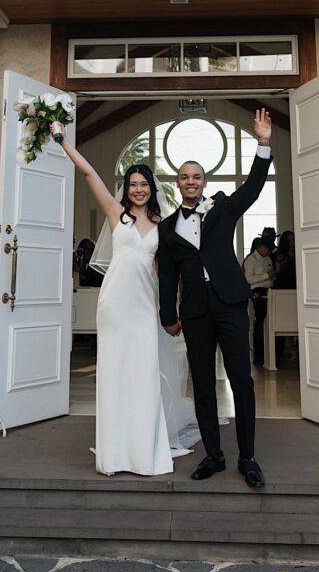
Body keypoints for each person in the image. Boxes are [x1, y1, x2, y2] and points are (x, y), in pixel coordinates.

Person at [157, 109, 273, 489]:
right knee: (203, 384)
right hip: (194, 313)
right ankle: (213, 454)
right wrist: (167, 315)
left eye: (197, 176)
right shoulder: (168, 227)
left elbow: (254, 187)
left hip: (231, 304)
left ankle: (249, 457)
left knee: (241, 379)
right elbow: (168, 274)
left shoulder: (223, 207)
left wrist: (263, 143)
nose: (191, 182)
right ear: (177, 184)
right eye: (184, 177)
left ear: (204, 182)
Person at [54, 130, 173, 476]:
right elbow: (89, 173)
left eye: (144, 183)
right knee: (115, 375)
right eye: (132, 183)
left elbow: (164, 273)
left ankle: (145, 453)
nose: (138, 189)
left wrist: (171, 311)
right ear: (126, 187)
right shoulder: (114, 212)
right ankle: (115, 454)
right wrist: (64, 143)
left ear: (152, 187)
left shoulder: (162, 226)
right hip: (115, 307)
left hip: (143, 307)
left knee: (144, 376)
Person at [243, 236, 275, 366]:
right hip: (257, 292)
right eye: (267, 248)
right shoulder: (251, 260)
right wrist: (266, 276)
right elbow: (248, 279)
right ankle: (258, 356)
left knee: (270, 323)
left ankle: (269, 355)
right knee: (259, 324)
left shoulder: (268, 259)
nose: (268, 252)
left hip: (270, 291)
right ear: (260, 247)